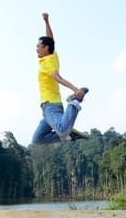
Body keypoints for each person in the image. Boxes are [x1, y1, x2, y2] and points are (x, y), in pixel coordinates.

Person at [32, 12, 89, 144]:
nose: (36, 49)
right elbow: (50, 39)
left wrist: (76, 91)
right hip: (48, 109)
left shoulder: (46, 63)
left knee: (62, 129)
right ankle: (70, 136)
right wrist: (46, 21)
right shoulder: (52, 56)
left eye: (38, 46)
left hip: (50, 106)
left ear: (46, 48)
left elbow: (58, 77)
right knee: (37, 139)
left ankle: (74, 103)